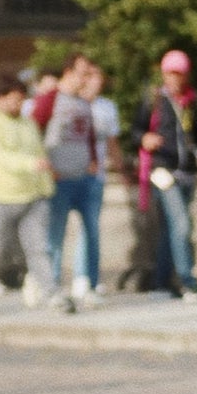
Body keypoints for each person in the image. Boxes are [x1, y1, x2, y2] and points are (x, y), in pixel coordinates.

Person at [130, 50, 197, 300]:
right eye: (171, 74)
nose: (175, 79)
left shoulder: (192, 101)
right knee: (182, 225)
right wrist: (144, 138)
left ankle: (160, 283)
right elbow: (135, 131)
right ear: (164, 74)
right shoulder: (154, 100)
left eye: (180, 74)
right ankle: (188, 281)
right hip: (162, 170)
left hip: (186, 171)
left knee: (170, 229)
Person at [0, 72, 56, 311]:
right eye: (14, 99)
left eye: (21, 99)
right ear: (0, 98)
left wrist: (45, 184)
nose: (18, 104)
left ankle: (50, 292)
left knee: (39, 247)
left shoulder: (27, 122)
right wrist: (28, 164)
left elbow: (39, 152)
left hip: (32, 195)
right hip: (0, 196)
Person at [38, 58, 99, 307]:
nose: (86, 80)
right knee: (55, 235)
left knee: (91, 232)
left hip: (84, 176)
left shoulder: (84, 103)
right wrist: (46, 166)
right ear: (68, 72)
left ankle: (87, 283)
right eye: (82, 74)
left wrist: (93, 161)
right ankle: (50, 285)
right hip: (59, 178)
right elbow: (33, 130)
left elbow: (89, 136)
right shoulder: (50, 99)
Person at [72, 61, 121, 304]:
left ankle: (90, 277)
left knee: (91, 227)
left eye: (99, 77)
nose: (96, 82)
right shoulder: (72, 103)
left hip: (97, 173)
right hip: (71, 173)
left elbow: (112, 141)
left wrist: (120, 167)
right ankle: (75, 277)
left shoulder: (107, 107)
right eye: (91, 76)